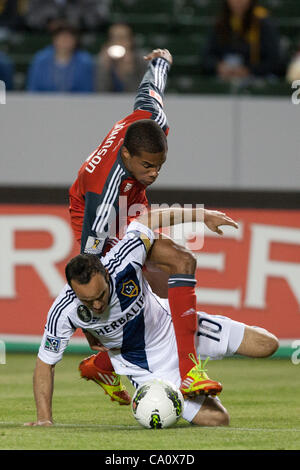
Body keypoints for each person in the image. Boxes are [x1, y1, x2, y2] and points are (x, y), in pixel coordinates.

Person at [69, 48, 237, 406]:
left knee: (165, 282)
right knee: (160, 271)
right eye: (147, 165)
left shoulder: (151, 119)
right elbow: (86, 268)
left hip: (133, 204)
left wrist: (161, 61)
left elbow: (150, 89)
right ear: (127, 156)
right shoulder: (104, 193)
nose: (154, 173)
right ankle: (178, 369)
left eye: (159, 165)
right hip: (96, 212)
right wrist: (92, 331)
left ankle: (103, 365)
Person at [25, 205, 278, 427]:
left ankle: (101, 365)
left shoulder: (124, 260)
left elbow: (148, 220)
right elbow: (45, 363)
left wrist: (201, 215)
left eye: (101, 294)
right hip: (144, 363)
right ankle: (125, 373)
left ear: (106, 273)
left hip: (176, 326)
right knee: (218, 420)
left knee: (268, 345)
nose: (98, 304)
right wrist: (44, 417)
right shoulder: (64, 310)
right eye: (88, 301)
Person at [201, 0, 280, 81]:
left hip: (256, 77)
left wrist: (249, 70)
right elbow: (207, 57)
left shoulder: (262, 22)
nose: (238, 1)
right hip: (225, 77)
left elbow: (273, 60)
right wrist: (218, 67)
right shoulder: (221, 21)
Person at [27, 22, 94, 93]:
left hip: (75, 103)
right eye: (61, 37)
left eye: (68, 37)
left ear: (75, 40)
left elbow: (86, 91)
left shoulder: (85, 62)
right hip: (43, 102)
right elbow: (33, 89)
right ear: (54, 39)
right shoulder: (40, 60)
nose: (64, 41)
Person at [97, 23, 146, 93]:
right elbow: (100, 94)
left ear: (131, 41)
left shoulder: (142, 61)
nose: (118, 42)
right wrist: (104, 69)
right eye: (113, 38)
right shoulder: (103, 60)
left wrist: (128, 74)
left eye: (122, 38)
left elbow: (141, 96)